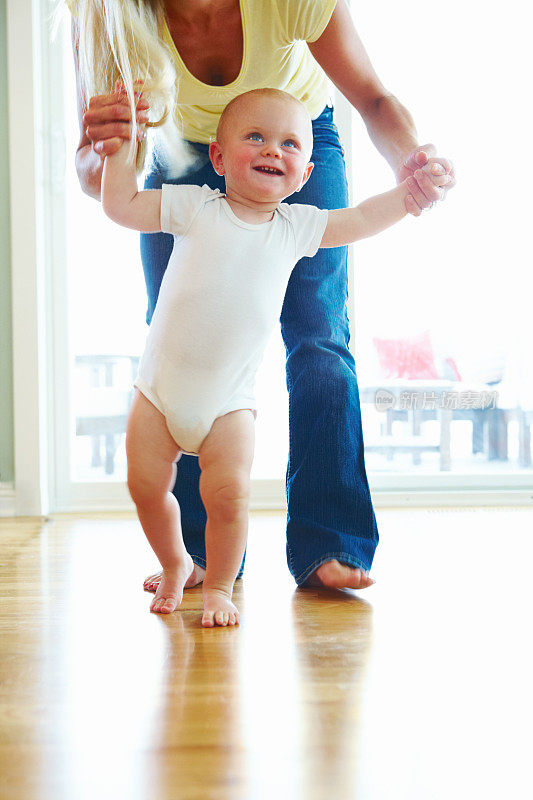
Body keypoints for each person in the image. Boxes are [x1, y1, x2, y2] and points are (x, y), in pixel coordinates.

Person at [68, 0, 455, 594]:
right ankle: (200, 553)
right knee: (176, 332)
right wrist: (108, 146)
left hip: (296, 138)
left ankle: (330, 541)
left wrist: (413, 165)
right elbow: (95, 173)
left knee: (319, 333)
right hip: (187, 151)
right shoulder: (113, 20)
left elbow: (373, 98)